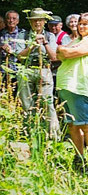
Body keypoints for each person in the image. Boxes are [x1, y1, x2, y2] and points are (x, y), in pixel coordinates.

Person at [56, 12, 88, 170]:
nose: (81, 26)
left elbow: (68, 52)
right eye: (80, 24)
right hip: (67, 86)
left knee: (86, 125)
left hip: (80, 86)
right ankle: (79, 158)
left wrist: (65, 50)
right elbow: (58, 53)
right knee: (72, 125)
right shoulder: (78, 40)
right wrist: (64, 50)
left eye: (85, 24)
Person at [15, 8, 59, 138]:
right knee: (26, 103)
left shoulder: (50, 36)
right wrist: (33, 45)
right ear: (30, 22)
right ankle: (28, 134)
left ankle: (52, 135)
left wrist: (44, 43)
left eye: (40, 20)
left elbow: (54, 57)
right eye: (34, 21)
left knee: (47, 102)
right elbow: (19, 56)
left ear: (45, 21)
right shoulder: (23, 35)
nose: (37, 23)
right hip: (26, 70)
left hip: (44, 70)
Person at [0, 10, 29, 87]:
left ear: (18, 21)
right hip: (2, 70)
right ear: (6, 20)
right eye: (9, 18)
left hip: (18, 69)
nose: (11, 20)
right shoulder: (1, 33)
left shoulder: (24, 34)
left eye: (14, 18)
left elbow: (28, 50)